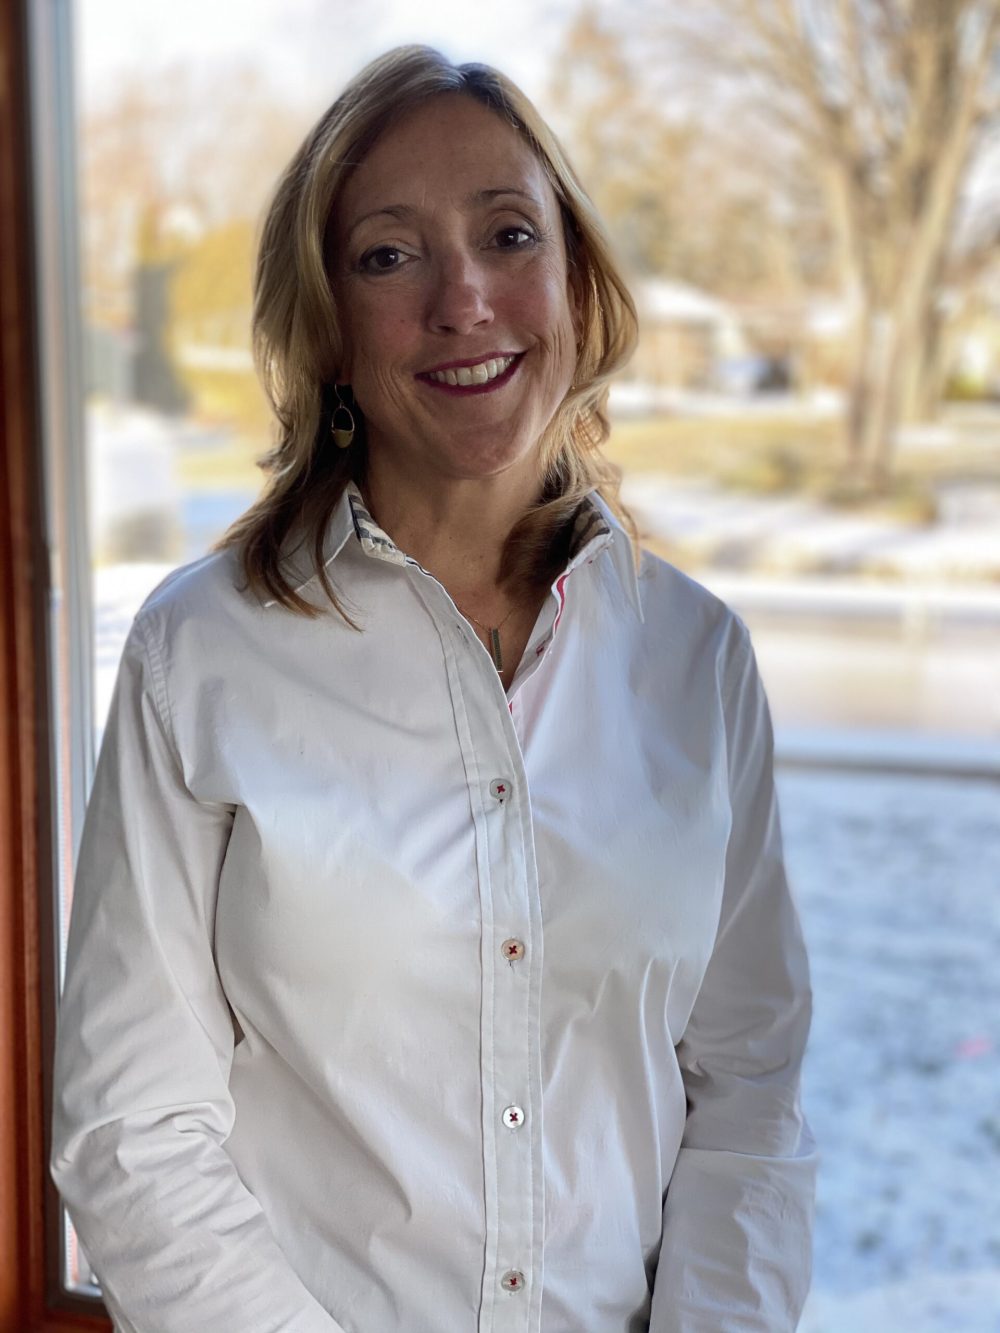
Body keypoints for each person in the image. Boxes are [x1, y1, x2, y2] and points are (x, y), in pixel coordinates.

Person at [51, 44, 817, 1333]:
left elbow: (751, 1093)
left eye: (510, 235)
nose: (464, 301)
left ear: (575, 280)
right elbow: (133, 1129)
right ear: (328, 332)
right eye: (389, 256)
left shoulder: (696, 659)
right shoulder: (203, 654)